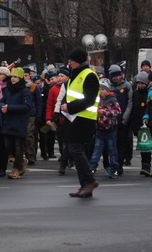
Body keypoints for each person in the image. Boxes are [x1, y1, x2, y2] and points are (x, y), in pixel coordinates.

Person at [60, 48, 99, 198]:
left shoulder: (89, 75)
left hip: (84, 118)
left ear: (78, 61)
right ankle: (86, 184)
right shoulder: (74, 76)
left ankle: (88, 182)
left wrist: (69, 107)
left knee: (75, 148)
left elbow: (89, 99)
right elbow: (69, 95)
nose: (69, 63)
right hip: (73, 117)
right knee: (73, 149)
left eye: (71, 60)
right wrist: (65, 106)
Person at [0, 67, 33, 180]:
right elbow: (2, 101)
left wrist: (10, 108)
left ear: (20, 78)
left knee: (19, 147)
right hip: (8, 121)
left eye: (16, 77)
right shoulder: (8, 90)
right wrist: (2, 106)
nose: (13, 79)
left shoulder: (25, 91)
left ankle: (16, 169)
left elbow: (27, 107)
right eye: (12, 76)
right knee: (8, 146)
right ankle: (22, 161)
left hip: (19, 122)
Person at [89, 80, 121, 178]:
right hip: (100, 128)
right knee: (97, 150)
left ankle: (115, 169)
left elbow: (118, 111)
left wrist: (105, 112)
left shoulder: (112, 100)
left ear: (107, 90)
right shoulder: (98, 100)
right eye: (99, 89)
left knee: (112, 150)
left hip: (110, 129)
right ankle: (92, 167)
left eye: (102, 89)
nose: (100, 91)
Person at [108, 64, 132, 174]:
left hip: (123, 120)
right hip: (111, 120)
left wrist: (125, 118)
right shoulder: (108, 87)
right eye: (114, 76)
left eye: (118, 75)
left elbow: (130, 103)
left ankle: (120, 164)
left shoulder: (127, 86)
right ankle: (112, 164)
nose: (116, 78)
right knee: (112, 143)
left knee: (122, 143)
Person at [130, 72, 152, 177]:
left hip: (146, 124)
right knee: (142, 146)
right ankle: (144, 166)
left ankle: (146, 166)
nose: (140, 85)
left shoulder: (149, 93)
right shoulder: (135, 93)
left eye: (142, 83)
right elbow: (133, 109)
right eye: (138, 83)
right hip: (137, 123)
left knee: (146, 147)